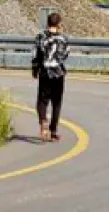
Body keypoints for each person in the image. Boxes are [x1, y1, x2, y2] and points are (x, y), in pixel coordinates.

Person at [33, 11, 69, 142]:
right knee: (57, 102)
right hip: (58, 74)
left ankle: (43, 121)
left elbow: (35, 54)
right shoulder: (63, 39)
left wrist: (35, 69)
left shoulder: (40, 37)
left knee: (42, 100)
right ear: (59, 24)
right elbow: (65, 55)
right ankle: (53, 130)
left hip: (45, 72)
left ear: (47, 23)